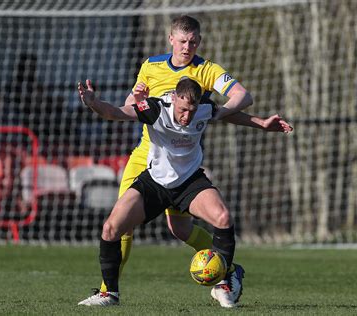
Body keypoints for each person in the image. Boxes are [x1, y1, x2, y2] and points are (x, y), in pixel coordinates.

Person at [77, 77, 291, 308]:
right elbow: (114, 113)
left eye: (192, 110)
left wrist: (262, 123)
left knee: (223, 218)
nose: (187, 116)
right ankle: (110, 294)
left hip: (189, 182)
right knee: (111, 228)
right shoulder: (155, 107)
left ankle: (226, 283)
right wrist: (93, 102)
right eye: (183, 109)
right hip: (155, 183)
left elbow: (227, 115)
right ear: (174, 98)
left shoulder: (204, 108)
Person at [97, 15, 256, 308]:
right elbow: (129, 106)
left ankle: (227, 271)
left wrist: (219, 113)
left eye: (193, 41)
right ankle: (108, 291)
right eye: (182, 41)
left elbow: (241, 96)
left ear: (200, 41)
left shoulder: (207, 70)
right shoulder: (151, 65)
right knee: (121, 226)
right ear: (171, 39)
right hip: (146, 155)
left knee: (181, 230)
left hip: (182, 163)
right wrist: (136, 96)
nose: (187, 47)